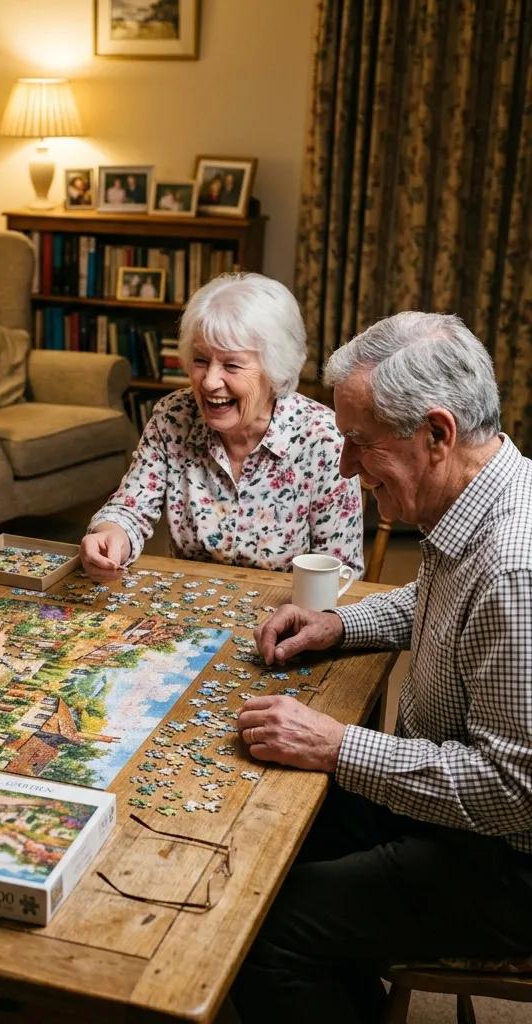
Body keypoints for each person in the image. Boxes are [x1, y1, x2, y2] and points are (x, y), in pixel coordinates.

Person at [234, 312, 532, 1023]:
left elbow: (516, 791)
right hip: (457, 823)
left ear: (437, 433)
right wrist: (337, 624)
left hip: (505, 866)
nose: (343, 466)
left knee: (262, 932)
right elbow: (434, 600)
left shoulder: (515, 569)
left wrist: (338, 746)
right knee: (264, 840)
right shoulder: (481, 496)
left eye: (360, 443)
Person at [80, 273, 364, 578]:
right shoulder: (173, 417)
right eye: (201, 360)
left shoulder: (322, 439)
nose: (210, 382)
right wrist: (111, 534)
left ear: (275, 368)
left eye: (231, 365)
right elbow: (130, 509)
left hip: (288, 615)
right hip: (188, 610)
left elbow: (341, 571)